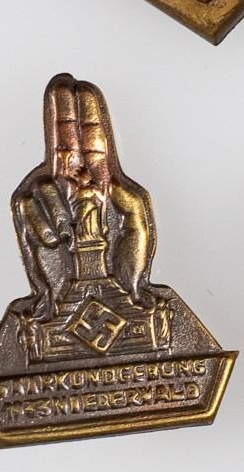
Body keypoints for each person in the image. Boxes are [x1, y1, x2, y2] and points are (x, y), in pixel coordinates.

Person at [11, 74, 155, 321]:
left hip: (96, 238)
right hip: (82, 242)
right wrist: (54, 293)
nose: (85, 171)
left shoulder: (103, 195)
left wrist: (131, 288)